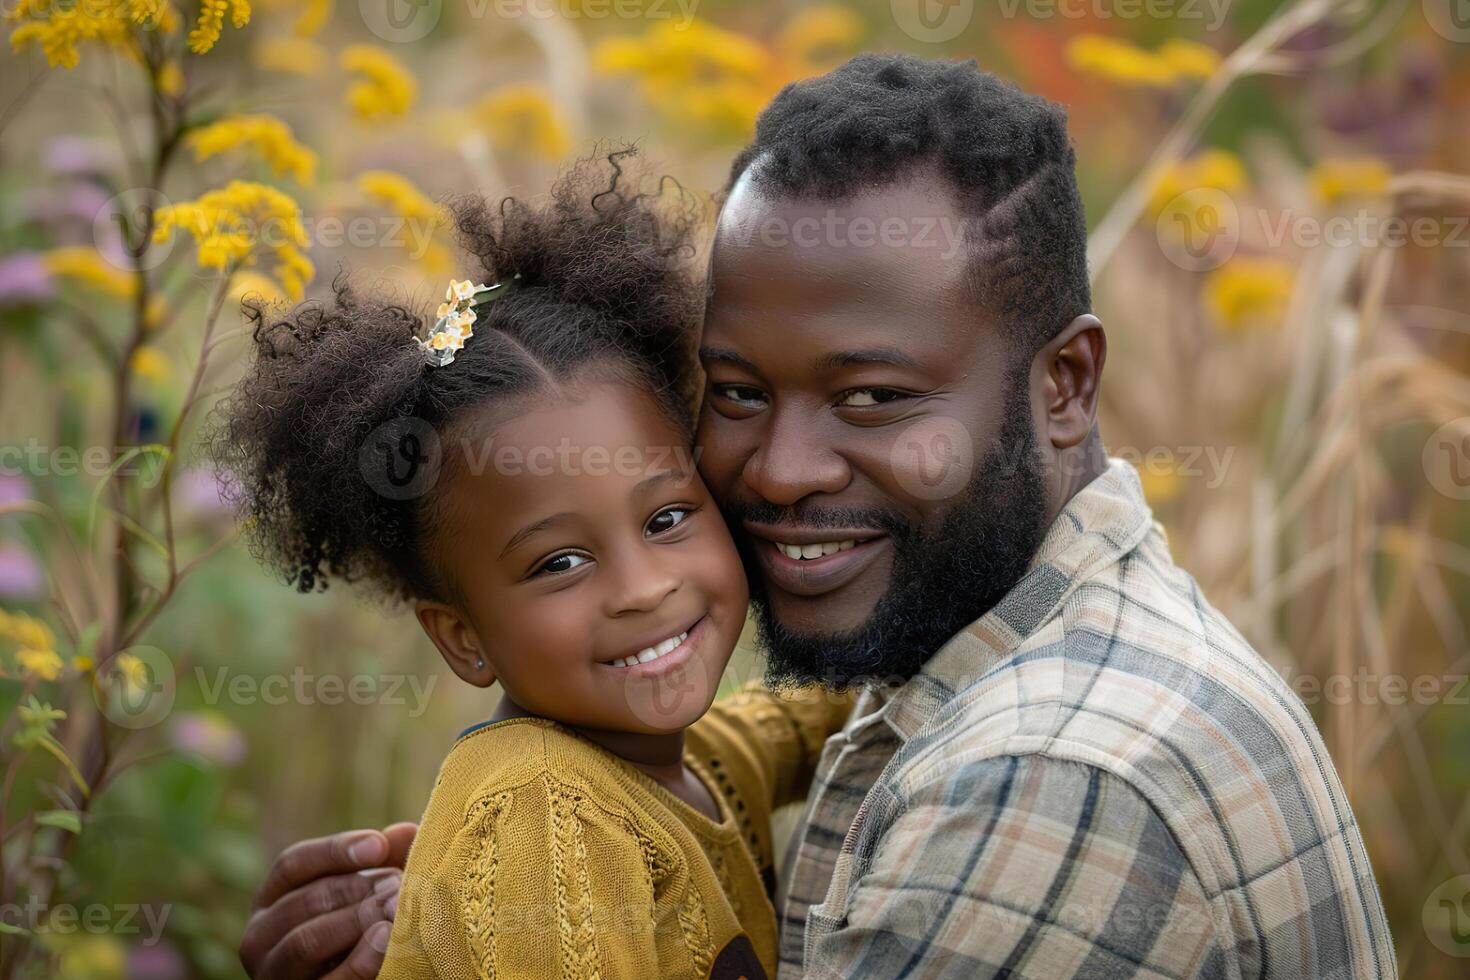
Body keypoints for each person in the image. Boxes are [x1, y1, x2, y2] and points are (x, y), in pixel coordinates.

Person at [240, 54, 1395, 979]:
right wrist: (466, 892)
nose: (781, 471)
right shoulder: (979, 633)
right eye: (737, 392)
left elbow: (757, 737)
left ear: (1064, 384)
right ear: (459, 630)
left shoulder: (1047, 785)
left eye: (873, 396)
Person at [219, 150, 854, 979]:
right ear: (461, 636)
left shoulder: (689, 764)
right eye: (559, 562)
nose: (644, 587)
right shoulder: (540, 810)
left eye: (666, 516)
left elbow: (800, 716)